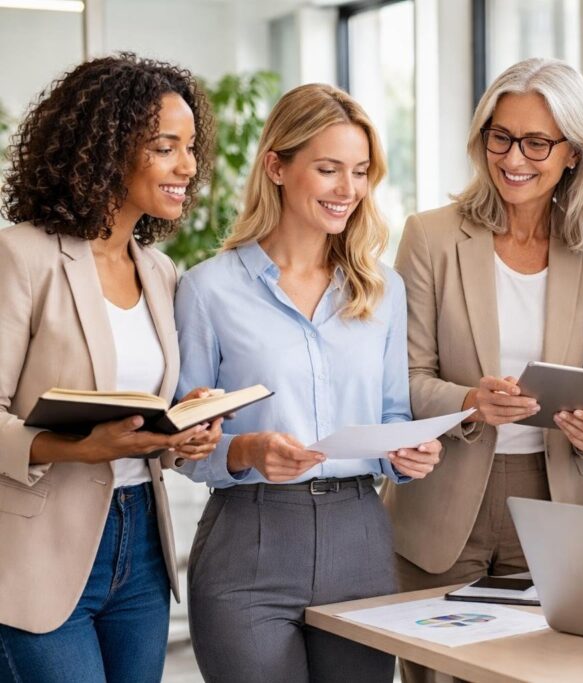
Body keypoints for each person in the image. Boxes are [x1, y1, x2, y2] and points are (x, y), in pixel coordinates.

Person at [174, 83, 441, 683]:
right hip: (250, 542)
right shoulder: (207, 290)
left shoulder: (382, 289)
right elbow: (180, 441)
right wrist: (246, 450)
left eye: (361, 171)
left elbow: (393, 413)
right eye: (328, 169)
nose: (348, 189)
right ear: (276, 165)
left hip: (361, 538)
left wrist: (406, 453)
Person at [381, 57, 583, 682]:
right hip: (443, 502)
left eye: (537, 142)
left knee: (539, 670)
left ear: (573, 153)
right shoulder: (430, 237)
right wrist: (470, 400)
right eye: (501, 136)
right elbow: (402, 380)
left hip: (552, 498)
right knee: (440, 674)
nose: (514, 157)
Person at [0, 54, 221, 683]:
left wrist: (186, 428)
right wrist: (79, 449)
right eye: (165, 148)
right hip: (38, 552)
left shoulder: (159, 271)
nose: (188, 167)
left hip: (142, 548)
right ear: (104, 150)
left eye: (191, 147)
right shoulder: (23, 257)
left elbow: (147, 417)